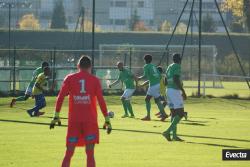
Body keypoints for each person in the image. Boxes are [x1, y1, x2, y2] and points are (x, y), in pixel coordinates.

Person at [50, 55, 112, 167]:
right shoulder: (95, 80)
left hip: (74, 121)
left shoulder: (69, 78)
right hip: (90, 121)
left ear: (78, 66)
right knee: (90, 154)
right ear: (90, 66)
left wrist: (56, 115)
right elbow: (101, 101)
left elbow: (60, 97)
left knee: (68, 153)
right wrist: (107, 119)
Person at [162, 53, 187, 141]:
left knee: (174, 114)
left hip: (168, 90)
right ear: (180, 60)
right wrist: (182, 91)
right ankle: (167, 132)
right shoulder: (177, 66)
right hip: (174, 91)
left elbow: (165, 80)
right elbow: (176, 79)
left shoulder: (169, 66)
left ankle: (174, 136)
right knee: (180, 113)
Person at [136, 54, 168, 121]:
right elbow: (159, 75)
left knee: (148, 99)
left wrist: (139, 78)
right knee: (155, 100)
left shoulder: (146, 66)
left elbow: (145, 75)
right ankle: (163, 114)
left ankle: (149, 116)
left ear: (145, 60)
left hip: (153, 86)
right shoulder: (153, 66)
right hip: (156, 84)